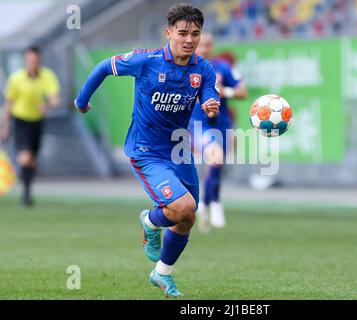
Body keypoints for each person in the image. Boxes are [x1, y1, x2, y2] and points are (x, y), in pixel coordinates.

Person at [74, 3, 220, 297]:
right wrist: (81, 101)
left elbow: (209, 96)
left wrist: (210, 106)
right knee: (184, 207)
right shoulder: (145, 60)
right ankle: (150, 220)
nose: (189, 40)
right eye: (183, 33)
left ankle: (162, 274)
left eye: (195, 33)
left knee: (187, 218)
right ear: (168, 33)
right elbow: (104, 67)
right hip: (146, 151)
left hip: (179, 151)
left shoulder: (202, 68)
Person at [189, 33, 248, 233]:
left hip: (223, 125)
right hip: (200, 124)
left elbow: (243, 91)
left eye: (208, 45)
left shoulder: (223, 67)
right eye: (201, 45)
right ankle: (214, 203)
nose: (204, 48)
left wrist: (226, 91)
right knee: (215, 159)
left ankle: (206, 204)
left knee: (217, 164)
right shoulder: (186, 67)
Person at [0, 46, 60, 206]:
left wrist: (47, 105)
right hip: (20, 120)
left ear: (40, 60)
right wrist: (4, 126)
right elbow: (8, 103)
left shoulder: (47, 76)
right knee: (25, 158)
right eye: (30, 60)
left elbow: (55, 100)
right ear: (26, 60)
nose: (33, 63)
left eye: (36, 60)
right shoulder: (16, 78)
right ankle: (26, 194)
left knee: (32, 159)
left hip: (37, 121)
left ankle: (27, 190)